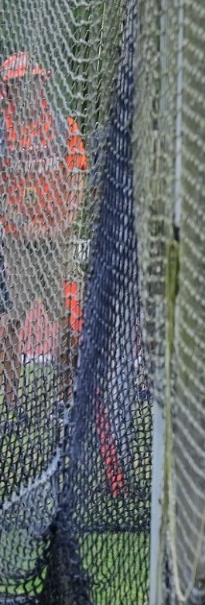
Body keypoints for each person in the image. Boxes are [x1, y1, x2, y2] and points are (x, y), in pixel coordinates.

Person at [0, 52, 86, 408]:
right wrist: (23, 225)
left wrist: (67, 220)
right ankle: (12, 403)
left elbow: (77, 175)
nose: (27, 90)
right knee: (9, 324)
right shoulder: (3, 133)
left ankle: (64, 401)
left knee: (68, 321)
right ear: (8, 91)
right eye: (18, 85)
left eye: (32, 82)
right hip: (16, 245)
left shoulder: (63, 127)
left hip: (56, 244)